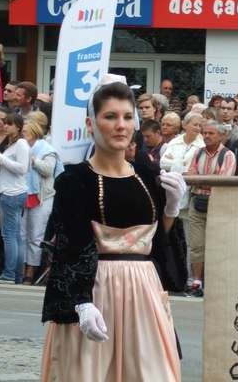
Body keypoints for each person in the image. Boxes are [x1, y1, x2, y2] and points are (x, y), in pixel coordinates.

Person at [40, 75, 184, 382]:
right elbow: (70, 246)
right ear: (90, 124)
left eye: (127, 117)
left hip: (144, 293)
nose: (121, 125)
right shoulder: (74, 180)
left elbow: (158, 245)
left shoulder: (147, 176)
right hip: (96, 292)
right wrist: (81, 302)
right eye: (110, 117)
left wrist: (172, 208)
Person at [185, 120, 236, 298]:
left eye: (210, 133)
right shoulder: (198, 153)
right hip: (197, 203)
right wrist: (209, 178)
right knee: (196, 245)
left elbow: (222, 182)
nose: (206, 136)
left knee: (216, 246)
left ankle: (214, 284)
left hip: (218, 205)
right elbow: (189, 177)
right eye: (205, 133)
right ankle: (197, 283)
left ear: (221, 135)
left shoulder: (228, 155)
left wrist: (199, 178)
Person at [0, 112, 30, 284]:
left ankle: (10, 273)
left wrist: (0, 157)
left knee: (10, 236)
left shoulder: (21, 143)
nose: (6, 126)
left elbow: (22, 168)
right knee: (15, 236)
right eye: (5, 123)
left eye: (10, 124)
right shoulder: (12, 144)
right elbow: (12, 167)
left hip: (13, 193)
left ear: (18, 126)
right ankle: (16, 274)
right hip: (11, 191)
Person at [20, 115, 61, 285]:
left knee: (35, 235)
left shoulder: (47, 149)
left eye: (25, 131)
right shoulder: (20, 147)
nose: (22, 134)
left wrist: (33, 159)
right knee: (21, 235)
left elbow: (48, 170)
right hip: (23, 194)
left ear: (35, 132)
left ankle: (31, 271)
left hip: (42, 197)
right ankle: (20, 269)